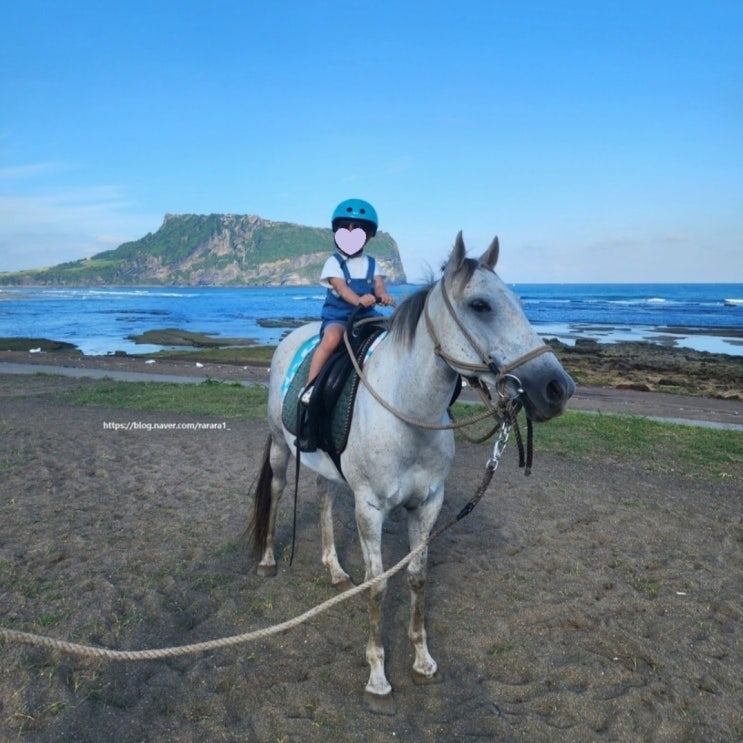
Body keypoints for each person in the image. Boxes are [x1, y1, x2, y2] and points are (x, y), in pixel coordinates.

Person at [302, 198, 394, 404]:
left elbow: (379, 284)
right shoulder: (334, 263)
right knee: (332, 339)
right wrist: (359, 299)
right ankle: (310, 386)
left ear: (368, 236)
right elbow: (341, 289)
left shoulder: (371, 263)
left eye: (358, 230)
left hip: (367, 316)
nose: (351, 234)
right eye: (345, 229)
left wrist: (384, 295)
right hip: (340, 317)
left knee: (394, 334)